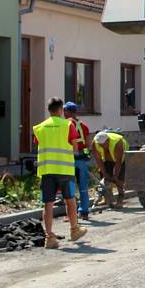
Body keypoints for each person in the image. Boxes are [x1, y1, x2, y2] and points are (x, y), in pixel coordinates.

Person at [33, 97, 87, 249]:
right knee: (70, 200)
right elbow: (75, 149)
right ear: (60, 110)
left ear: (49, 110)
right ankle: (74, 230)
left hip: (47, 170)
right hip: (64, 170)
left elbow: (38, 144)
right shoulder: (68, 125)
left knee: (48, 204)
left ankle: (49, 238)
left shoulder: (40, 127)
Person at [63, 102, 91, 220]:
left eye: (64, 111)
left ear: (68, 111)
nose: (63, 113)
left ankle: (71, 214)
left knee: (70, 187)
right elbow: (88, 143)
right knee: (83, 186)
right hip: (82, 159)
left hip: (70, 158)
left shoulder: (66, 124)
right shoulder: (84, 126)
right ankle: (84, 212)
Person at [92, 131, 129, 208]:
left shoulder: (118, 143)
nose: (101, 146)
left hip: (121, 158)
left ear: (108, 141)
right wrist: (105, 175)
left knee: (119, 178)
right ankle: (108, 199)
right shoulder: (95, 143)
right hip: (107, 159)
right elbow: (99, 161)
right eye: (100, 145)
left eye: (103, 144)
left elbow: (118, 162)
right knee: (105, 178)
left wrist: (115, 176)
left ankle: (120, 198)